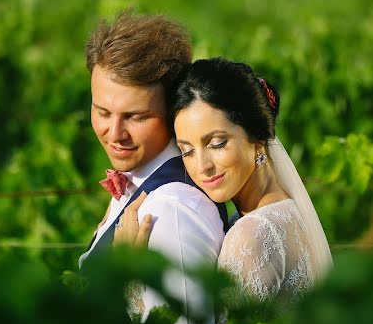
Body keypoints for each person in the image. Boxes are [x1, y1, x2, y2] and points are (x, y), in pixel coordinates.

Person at [121, 58, 332, 303]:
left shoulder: (252, 235)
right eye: (187, 151)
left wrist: (131, 277)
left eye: (217, 143)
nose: (203, 167)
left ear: (259, 137)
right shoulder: (286, 211)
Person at [78, 12, 228, 324]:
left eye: (135, 116)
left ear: (173, 111)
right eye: (102, 111)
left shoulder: (173, 211)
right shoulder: (139, 182)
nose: (114, 133)